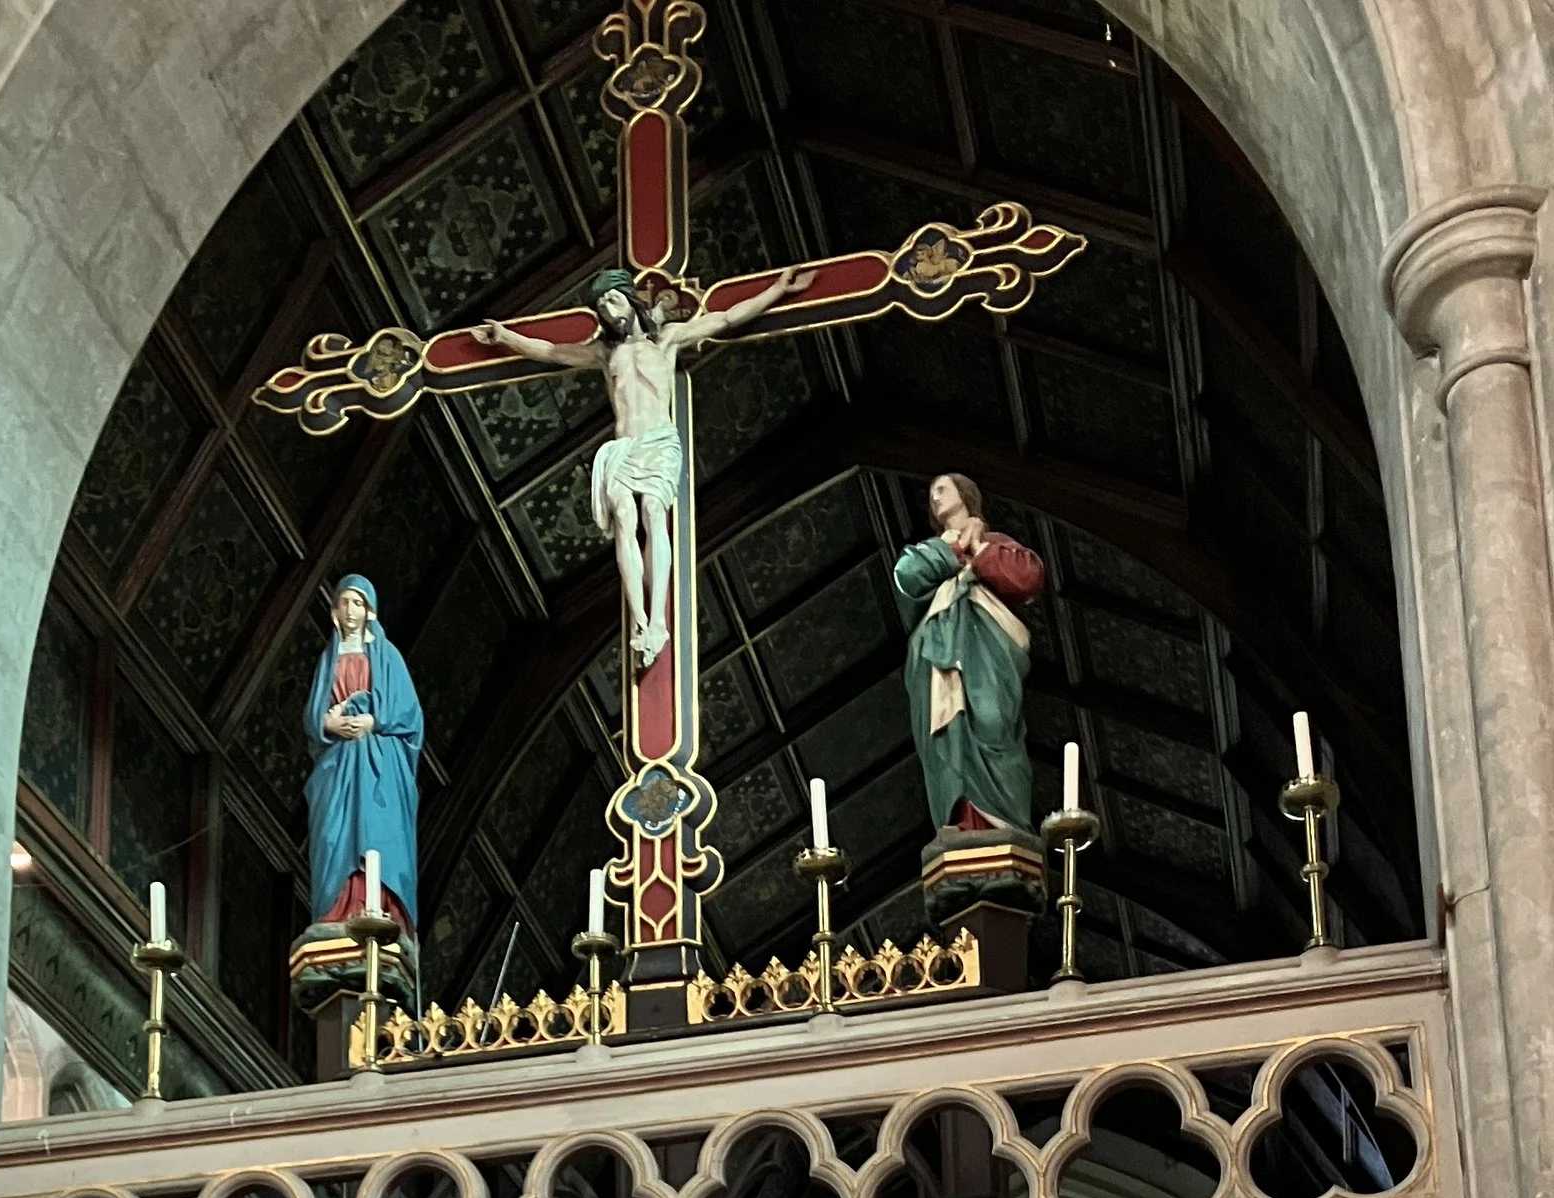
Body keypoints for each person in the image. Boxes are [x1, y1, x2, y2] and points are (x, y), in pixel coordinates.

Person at [473, 263, 812, 665]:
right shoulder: (605, 353)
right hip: (623, 447)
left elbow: (726, 317)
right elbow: (550, 351)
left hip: (658, 443)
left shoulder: (666, 340)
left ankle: (658, 620)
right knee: (623, 519)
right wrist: (505, 336)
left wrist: (778, 289)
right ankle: (639, 620)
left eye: (612, 298)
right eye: (600, 305)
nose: (606, 308)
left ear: (631, 300)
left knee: (653, 511)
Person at [894, 470, 1048, 836]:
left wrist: (979, 548)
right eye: (931, 494)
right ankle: (958, 822)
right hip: (937, 657)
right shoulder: (933, 549)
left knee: (994, 720)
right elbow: (907, 577)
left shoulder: (995, 543)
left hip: (989, 649)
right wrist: (951, 547)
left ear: (965, 494)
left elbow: (1028, 577)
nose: (934, 498)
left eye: (942, 489)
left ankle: (1003, 822)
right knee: (946, 735)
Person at [303, 575, 423, 929]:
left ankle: (380, 909)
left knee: (377, 832)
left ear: (369, 611)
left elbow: (410, 714)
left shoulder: (387, 656)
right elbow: (314, 714)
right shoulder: (329, 659)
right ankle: (335, 911)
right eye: (344, 603)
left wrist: (373, 720)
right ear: (335, 611)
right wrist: (330, 725)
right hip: (338, 766)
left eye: (358, 603)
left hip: (378, 764)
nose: (351, 611)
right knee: (333, 836)